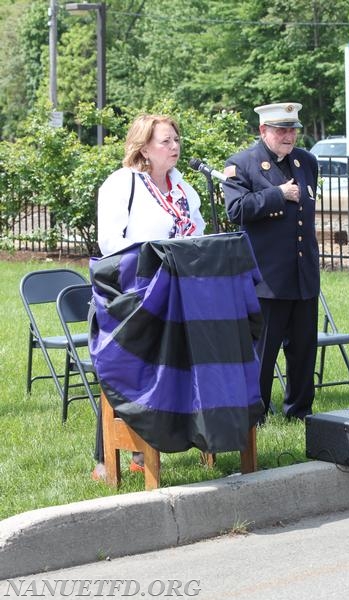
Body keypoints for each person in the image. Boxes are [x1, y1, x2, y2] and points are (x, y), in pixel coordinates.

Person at [91, 113, 206, 480]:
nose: (174, 147)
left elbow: (198, 233)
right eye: (165, 141)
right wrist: (154, 254)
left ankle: (166, 441)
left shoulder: (183, 187)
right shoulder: (123, 183)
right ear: (143, 147)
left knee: (174, 368)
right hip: (135, 295)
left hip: (182, 292)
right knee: (130, 370)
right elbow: (110, 241)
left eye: (176, 139)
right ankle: (106, 456)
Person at [222, 102, 320, 421]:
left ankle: (300, 411)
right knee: (263, 354)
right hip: (266, 277)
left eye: (292, 129)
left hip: (302, 274)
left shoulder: (306, 161)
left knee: (304, 349)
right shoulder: (242, 164)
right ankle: (257, 412)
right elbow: (236, 210)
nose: (288, 135)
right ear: (263, 130)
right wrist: (278, 194)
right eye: (281, 129)